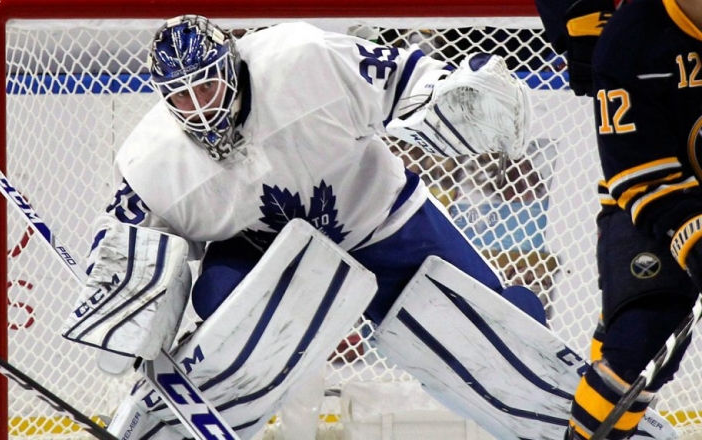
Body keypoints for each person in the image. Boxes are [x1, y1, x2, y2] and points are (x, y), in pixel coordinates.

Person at [70, 15, 546, 439]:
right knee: (224, 309)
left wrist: (455, 93)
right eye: (182, 96)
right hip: (268, 254)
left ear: (230, 67)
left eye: (206, 87)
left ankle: (570, 417)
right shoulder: (155, 162)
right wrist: (126, 305)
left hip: (381, 218)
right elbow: (127, 244)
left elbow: (403, 79)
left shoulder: (303, 60)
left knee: (494, 337)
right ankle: (175, 422)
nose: (199, 108)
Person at [535, 0, 702, 438]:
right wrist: (696, 241)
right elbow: (640, 175)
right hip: (651, 201)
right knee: (643, 336)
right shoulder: (630, 43)